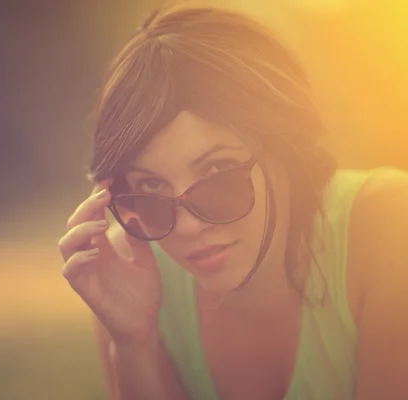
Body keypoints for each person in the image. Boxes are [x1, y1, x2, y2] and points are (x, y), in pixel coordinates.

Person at [58, 3, 408, 399]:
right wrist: (135, 346)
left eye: (216, 174)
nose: (187, 226)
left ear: (284, 144)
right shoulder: (127, 280)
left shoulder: (388, 226)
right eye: (152, 188)